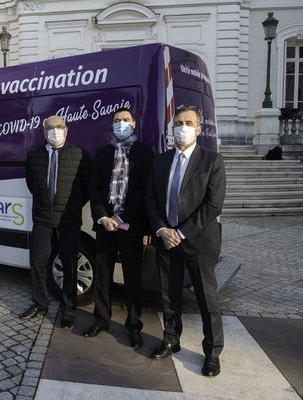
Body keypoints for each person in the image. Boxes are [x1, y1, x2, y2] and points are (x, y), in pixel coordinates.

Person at [146, 105, 226, 377]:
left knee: (207, 299)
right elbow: (151, 199)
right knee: (169, 296)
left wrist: (180, 232)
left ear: (199, 129)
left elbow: (213, 204)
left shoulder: (212, 161)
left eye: (188, 122)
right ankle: (171, 338)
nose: (183, 127)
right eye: (178, 122)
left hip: (198, 242)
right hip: (166, 241)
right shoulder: (160, 161)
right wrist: (161, 229)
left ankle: (212, 352)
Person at [82, 108, 153, 349]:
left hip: (130, 225)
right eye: (116, 121)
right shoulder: (103, 153)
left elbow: (145, 190)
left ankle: (134, 326)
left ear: (134, 123)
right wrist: (103, 216)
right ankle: (101, 319)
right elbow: (94, 188)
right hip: (105, 226)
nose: (120, 124)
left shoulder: (144, 152)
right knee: (102, 275)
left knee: (132, 277)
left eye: (125, 120)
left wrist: (121, 215)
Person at [19, 115, 91, 329]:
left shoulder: (79, 155)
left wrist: (72, 206)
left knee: (69, 265)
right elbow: (32, 183)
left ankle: (69, 308)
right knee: (38, 262)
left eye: (59, 127)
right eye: (50, 128)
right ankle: (40, 303)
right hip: (42, 219)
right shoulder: (34, 156)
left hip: (68, 220)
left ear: (66, 130)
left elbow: (86, 188)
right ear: (44, 132)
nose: (55, 131)